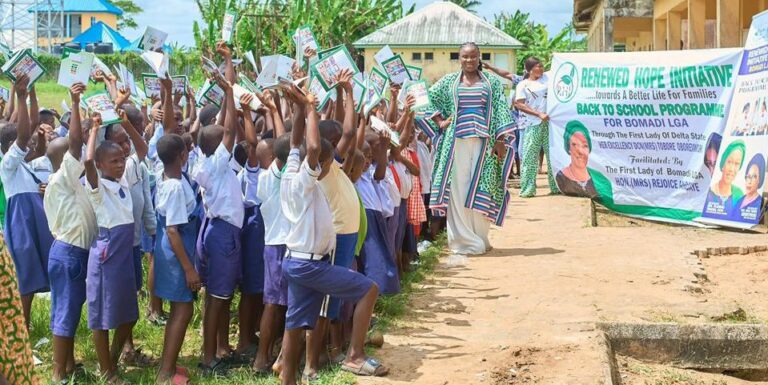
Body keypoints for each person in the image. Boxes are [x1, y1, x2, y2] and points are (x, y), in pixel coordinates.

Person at [279, 89, 387, 385]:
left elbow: (297, 143)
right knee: (368, 289)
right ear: (320, 165)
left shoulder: (290, 172)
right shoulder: (305, 181)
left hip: (298, 260)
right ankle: (354, 356)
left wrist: (299, 108)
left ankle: (289, 379)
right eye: (327, 162)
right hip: (310, 263)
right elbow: (313, 148)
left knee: (294, 323)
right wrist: (310, 108)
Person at [424, 42, 516, 256]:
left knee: (482, 186)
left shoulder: (491, 82)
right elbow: (425, 98)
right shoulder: (449, 82)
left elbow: (500, 109)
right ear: (459, 58)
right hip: (456, 143)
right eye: (465, 56)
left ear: (479, 57)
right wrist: (439, 121)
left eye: (473, 56)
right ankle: (463, 241)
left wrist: (500, 139)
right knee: (458, 188)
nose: (469, 60)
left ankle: (480, 238)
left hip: (485, 143)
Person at [83, 101, 147, 383]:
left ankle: (112, 359)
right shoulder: (97, 187)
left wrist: (126, 123)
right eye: (114, 161)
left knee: (129, 314)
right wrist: (94, 130)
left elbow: (141, 149)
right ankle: (106, 371)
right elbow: (88, 162)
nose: (120, 164)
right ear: (101, 165)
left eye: (122, 159)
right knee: (101, 317)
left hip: (125, 253)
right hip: (107, 253)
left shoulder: (123, 179)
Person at [43, 83, 98, 383]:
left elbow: (78, 144)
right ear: (65, 160)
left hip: (67, 252)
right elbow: (75, 143)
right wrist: (75, 104)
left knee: (68, 311)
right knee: (65, 314)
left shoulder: (62, 182)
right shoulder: (65, 177)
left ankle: (68, 364)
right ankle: (57, 373)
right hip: (70, 253)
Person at [191, 69, 243, 376]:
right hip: (223, 234)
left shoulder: (204, 160)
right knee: (217, 297)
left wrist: (226, 92)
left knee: (216, 297)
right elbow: (230, 129)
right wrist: (231, 93)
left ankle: (213, 350)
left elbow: (223, 128)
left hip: (214, 230)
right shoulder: (217, 162)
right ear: (219, 146)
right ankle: (209, 358)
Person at [0, 75, 55, 330]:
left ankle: (26, 322)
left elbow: (30, 126)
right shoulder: (8, 164)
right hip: (21, 222)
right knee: (23, 276)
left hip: (34, 220)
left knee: (31, 275)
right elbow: (23, 134)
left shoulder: (26, 165)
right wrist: (20, 97)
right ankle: (19, 327)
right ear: (12, 146)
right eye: (26, 143)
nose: (31, 143)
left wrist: (31, 91)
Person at [153, 133, 201, 385]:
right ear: (183, 156)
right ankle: (166, 373)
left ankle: (168, 363)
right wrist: (188, 269)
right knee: (183, 310)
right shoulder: (174, 187)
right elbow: (173, 230)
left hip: (176, 246)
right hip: (176, 251)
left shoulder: (168, 176)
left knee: (178, 309)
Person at [252, 92, 291, 376]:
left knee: (280, 304)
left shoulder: (268, 177)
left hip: (279, 245)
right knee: (275, 304)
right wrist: (275, 111)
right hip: (279, 246)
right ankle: (261, 358)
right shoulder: (272, 175)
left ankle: (276, 354)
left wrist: (274, 108)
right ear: (271, 158)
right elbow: (283, 143)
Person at [515, 57, 558, 198]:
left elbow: (560, 68)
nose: (541, 69)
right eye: (537, 67)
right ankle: (528, 189)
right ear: (529, 69)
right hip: (533, 124)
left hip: (550, 123)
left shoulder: (547, 78)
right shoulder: (523, 85)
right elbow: (519, 104)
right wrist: (538, 114)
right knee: (529, 157)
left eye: (542, 66)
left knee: (553, 156)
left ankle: (556, 187)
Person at [702, 140, 746, 220]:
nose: (732, 169)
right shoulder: (708, 192)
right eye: (729, 162)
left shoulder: (739, 195)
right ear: (722, 163)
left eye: (737, 164)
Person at [555, 120, 599, 199]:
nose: (580, 151)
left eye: (585, 146)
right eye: (574, 145)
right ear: (568, 148)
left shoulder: (599, 179)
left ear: (589, 149)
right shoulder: (561, 177)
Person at [733, 153, 765, 223]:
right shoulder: (739, 201)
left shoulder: (760, 203)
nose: (749, 181)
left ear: (759, 180)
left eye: (754, 177)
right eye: (748, 176)